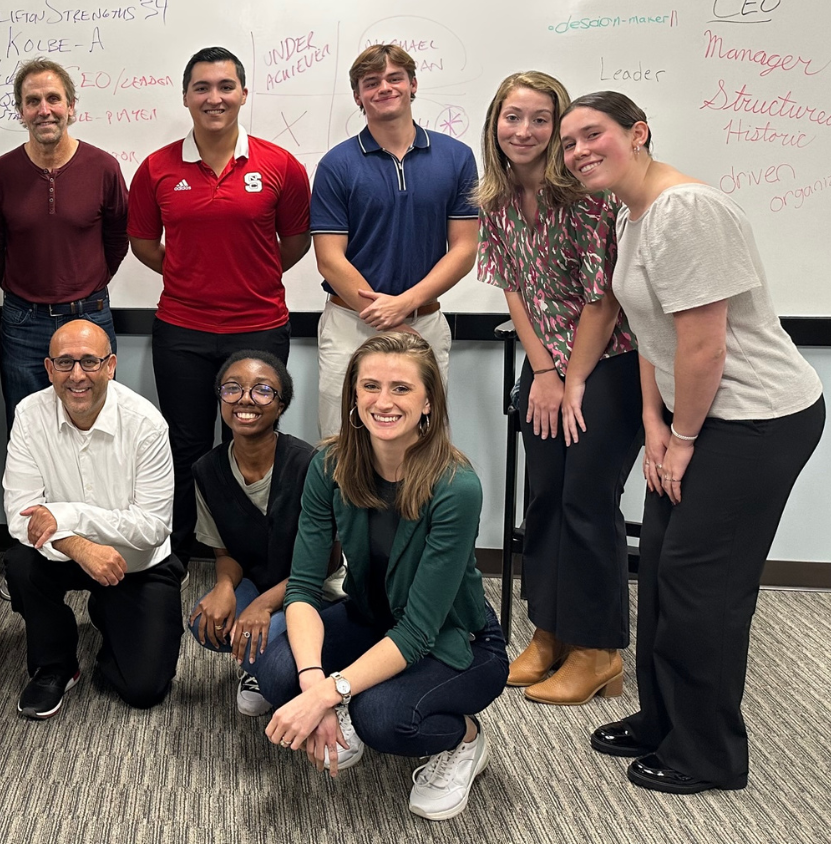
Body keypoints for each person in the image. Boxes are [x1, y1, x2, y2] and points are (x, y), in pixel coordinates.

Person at [561, 92, 825, 794]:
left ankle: (707, 754)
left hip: (756, 419)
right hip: (694, 417)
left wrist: (681, 438)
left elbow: (704, 345)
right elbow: (654, 332)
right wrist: (654, 424)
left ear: (639, 132)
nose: (578, 151)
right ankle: (661, 721)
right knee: (665, 573)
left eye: (594, 134)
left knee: (701, 586)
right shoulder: (632, 211)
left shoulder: (688, 210)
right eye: (569, 143)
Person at [258, 332, 507, 821]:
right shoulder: (328, 464)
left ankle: (467, 740)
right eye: (370, 386)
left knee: (382, 720)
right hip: (373, 616)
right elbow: (305, 589)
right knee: (276, 671)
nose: (383, 401)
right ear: (353, 395)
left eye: (401, 389)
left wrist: (333, 692)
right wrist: (314, 684)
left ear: (429, 401)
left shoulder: (457, 486)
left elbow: (417, 631)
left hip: (455, 640)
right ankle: (353, 689)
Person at [473, 72, 641, 705]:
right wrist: (543, 374)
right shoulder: (494, 200)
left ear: (560, 126)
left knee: (586, 501)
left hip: (609, 365)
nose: (525, 132)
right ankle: (548, 633)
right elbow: (515, 289)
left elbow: (601, 301)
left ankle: (597, 651)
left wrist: (571, 383)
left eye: (541, 119)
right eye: (513, 117)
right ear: (495, 123)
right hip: (546, 368)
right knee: (543, 498)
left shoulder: (591, 196)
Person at [128, 46, 311, 562]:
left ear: (244, 95)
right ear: (186, 97)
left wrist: (249, 273)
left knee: (257, 443)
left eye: (226, 87)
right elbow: (143, 244)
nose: (215, 97)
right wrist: (190, 272)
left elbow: (295, 241)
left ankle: (261, 553)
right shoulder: (157, 168)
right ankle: (179, 555)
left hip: (259, 329)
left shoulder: (281, 165)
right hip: (182, 330)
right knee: (186, 448)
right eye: (202, 88)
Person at [3, 320, 181, 720]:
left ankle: (108, 613)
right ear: (48, 370)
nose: (77, 375)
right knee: (20, 565)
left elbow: (153, 527)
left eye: (89, 361)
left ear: (111, 365)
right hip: (63, 556)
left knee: (144, 689)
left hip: (134, 564)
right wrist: (78, 545)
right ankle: (56, 665)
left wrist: (64, 514)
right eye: (65, 363)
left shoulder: (146, 425)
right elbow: (19, 514)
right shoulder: (30, 415)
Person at [311, 44, 479, 438]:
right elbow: (329, 259)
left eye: (394, 78)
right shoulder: (336, 164)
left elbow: (464, 248)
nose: (384, 88)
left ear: (412, 84)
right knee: (340, 445)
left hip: (425, 323)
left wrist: (404, 306)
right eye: (371, 82)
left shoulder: (457, 157)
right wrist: (386, 320)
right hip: (350, 325)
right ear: (358, 96)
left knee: (423, 445)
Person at [0, 58, 129, 428]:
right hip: (23, 322)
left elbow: (117, 238)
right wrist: (23, 287)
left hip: (91, 314)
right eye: (33, 101)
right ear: (21, 112)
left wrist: (86, 281)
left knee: (97, 427)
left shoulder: (104, 168)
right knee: (28, 431)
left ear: (71, 107)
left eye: (54, 99)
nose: (44, 110)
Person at [185, 350, 318, 717]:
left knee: (272, 654)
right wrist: (224, 587)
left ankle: (282, 665)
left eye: (262, 390)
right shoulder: (207, 470)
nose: (245, 399)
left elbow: (327, 563)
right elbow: (225, 553)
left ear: (281, 405)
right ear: (221, 400)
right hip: (258, 579)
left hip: (313, 588)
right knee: (205, 622)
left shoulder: (309, 465)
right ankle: (265, 658)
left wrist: (263, 605)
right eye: (232, 389)